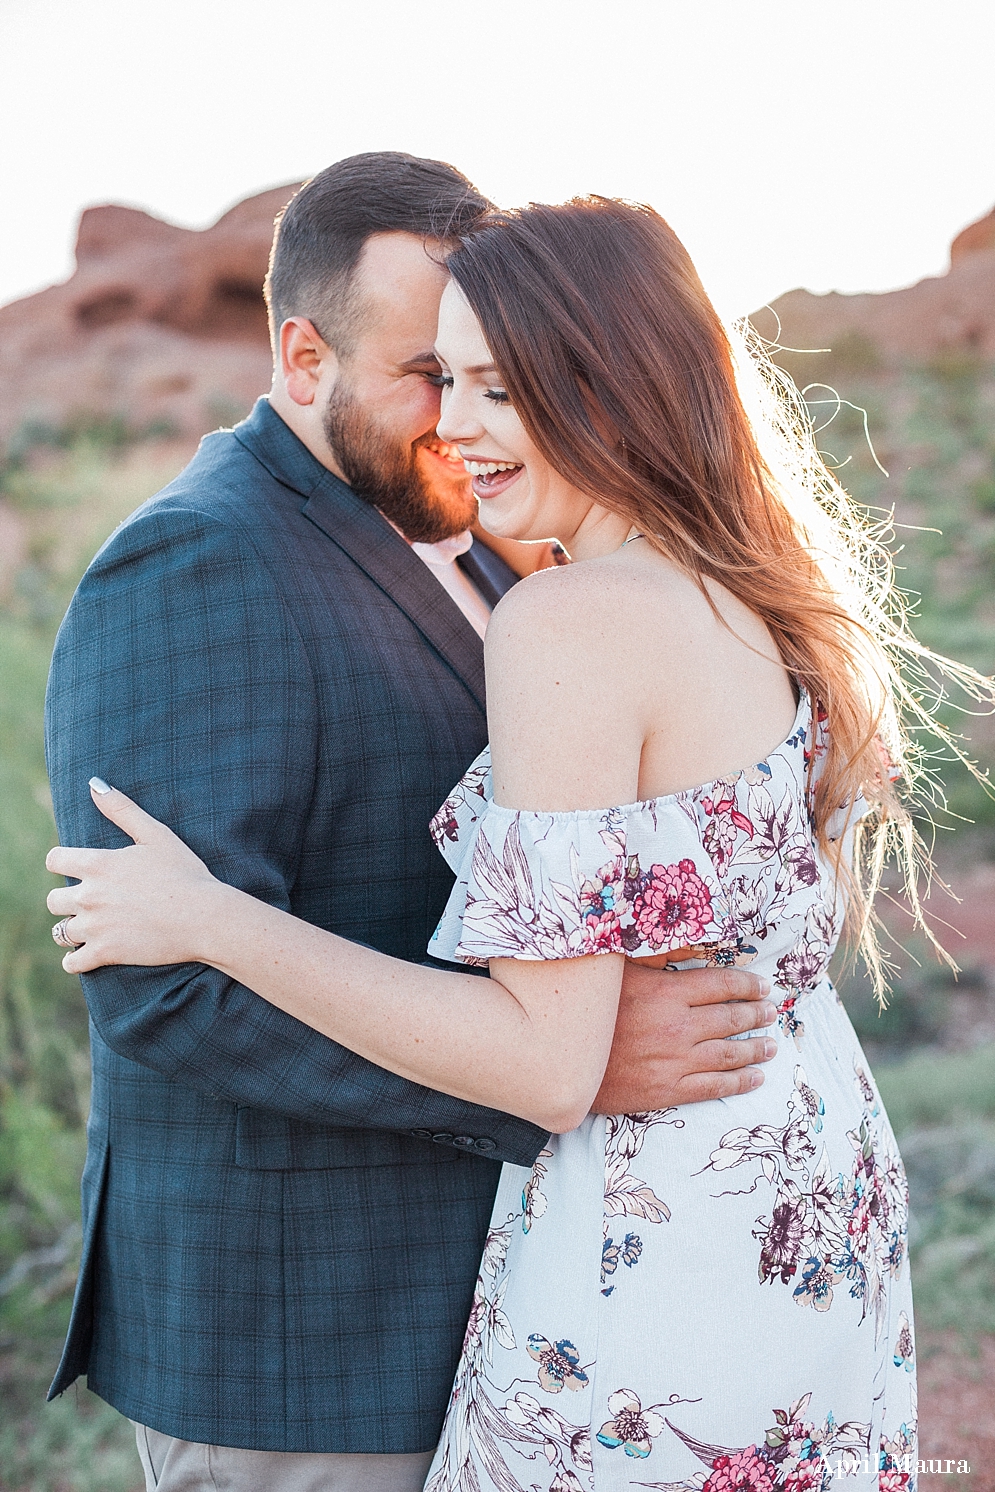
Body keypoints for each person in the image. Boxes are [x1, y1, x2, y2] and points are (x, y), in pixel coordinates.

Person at [43, 160, 778, 1492]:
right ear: (301, 352)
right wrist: (561, 1064)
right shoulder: (198, 560)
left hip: (523, 1308)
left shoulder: (509, 539)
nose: (467, 415)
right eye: (426, 376)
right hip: (305, 1341)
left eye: (489, 370)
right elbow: (164, 993)